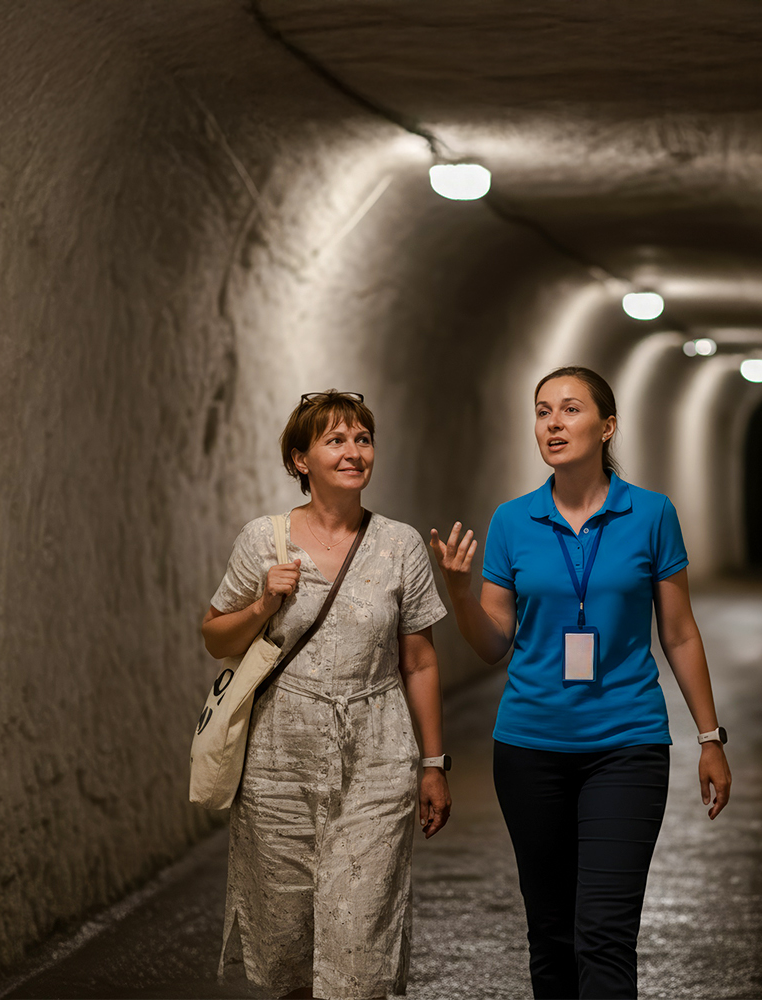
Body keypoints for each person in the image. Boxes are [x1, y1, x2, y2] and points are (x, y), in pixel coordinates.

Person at [429, 366, 731, 999]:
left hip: (627, 744)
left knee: (604, 934)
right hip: (529, 748)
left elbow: (678, 632)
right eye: (542, 412)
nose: (553, 423)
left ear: (607, 426)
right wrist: (460, 592)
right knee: (552, 937)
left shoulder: (651, 514)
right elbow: (491, 646)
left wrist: (709, 736)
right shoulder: (513, 522)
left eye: (569, 410)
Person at [202, 390, 451, 1000]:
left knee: (360, 938)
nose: (353, 452)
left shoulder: (400, 544)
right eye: (335, 440)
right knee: (287, 948)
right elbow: (213, 635)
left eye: (362, 439)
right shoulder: (264, 540)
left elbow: (417, 659)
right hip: (277, 768)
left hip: (376, 758)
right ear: (299, 460)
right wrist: (263, 604)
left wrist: (433, 763)